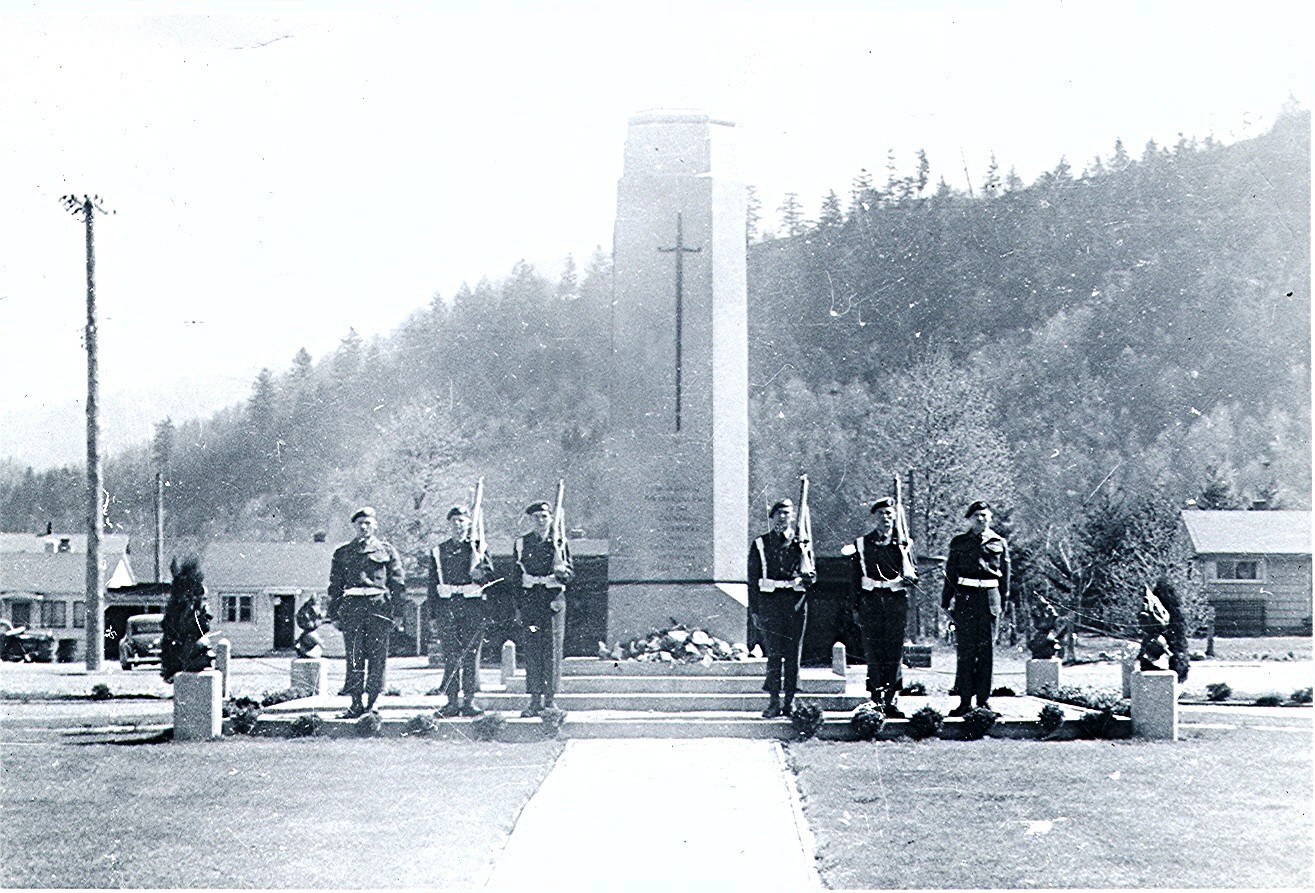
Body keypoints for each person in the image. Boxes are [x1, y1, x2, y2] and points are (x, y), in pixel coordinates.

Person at [327, 507, 406, 718]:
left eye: (368, 523)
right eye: (360, 523)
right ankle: (355, 702)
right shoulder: (343, 553)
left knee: (377, 656)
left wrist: (398, 612)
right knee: (354, 656)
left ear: (375, 525)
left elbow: (397, 583)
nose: (363, 527)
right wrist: (333, 613)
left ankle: (372, 702)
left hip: (378, 608)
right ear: (353, 526)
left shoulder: (387, 551)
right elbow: (335, 585)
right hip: (352, 608)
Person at [849, 497, 917, 718]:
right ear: (874, 518)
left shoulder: (904, 543)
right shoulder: (862, 543)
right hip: (870, 601)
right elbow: (855, 578)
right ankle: (876, 698)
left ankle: (891, 699)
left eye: (889, 514)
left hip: (895, 601)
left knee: (894, 651)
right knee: (873, 650)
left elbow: (912, 576)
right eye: (881, 515)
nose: (885, 519)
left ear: (895, 516)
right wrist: (855, 606)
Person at [941, 500, 1010, 716]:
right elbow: (950, 574)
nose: (980, 519)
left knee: (986, 652)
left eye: (984, 515)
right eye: (976, 515)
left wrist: (1002, 605)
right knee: (966, 652)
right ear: (969, 519)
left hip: (989, 599)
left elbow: (1005, 577)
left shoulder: (999, 542)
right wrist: (946, 602)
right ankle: (964, 702)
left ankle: (983, 701)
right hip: (966, 599)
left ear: (990, 518)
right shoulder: (959, 542)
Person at [748, 499, 816, 718]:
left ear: (793, 517)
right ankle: (774, 701)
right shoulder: (760, 543)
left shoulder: (802, 544)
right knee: (774, 654)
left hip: (795, 603)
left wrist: (807, 578)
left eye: (786, 513)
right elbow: (753, 580)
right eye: (778, 513)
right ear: (772, 517)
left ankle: (790, 702)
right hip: (770, 603)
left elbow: (812, 576)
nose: (782, 517)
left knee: (793, 654)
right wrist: (755, 611)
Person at [427, 505, 496, 717]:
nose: (458, 525)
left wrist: (479, 574)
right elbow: (432, 585)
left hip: (472, 608)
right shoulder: (439, 551)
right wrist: (432, 614)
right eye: (454, 521)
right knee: (450, 655)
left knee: (470, 655)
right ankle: (451, 701)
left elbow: (490, 578)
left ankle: (469, 701)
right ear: (449, 525)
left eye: (462, 521)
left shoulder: (478, 549)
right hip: (447, 607)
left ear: (469, 524)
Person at [512, 501, 574, 717]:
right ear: (531, 519)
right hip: (530, 603)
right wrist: (519, 607)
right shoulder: (522, 543)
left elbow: (570, 574)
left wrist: (561, 572)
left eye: (544, 517)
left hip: (552, 603)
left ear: (550, 519)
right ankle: (534, 700)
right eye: (536, 517)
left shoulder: (559, 542)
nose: (540, 521)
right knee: (532, 651)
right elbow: (515, 578)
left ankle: (550, 700)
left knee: (552, 652)